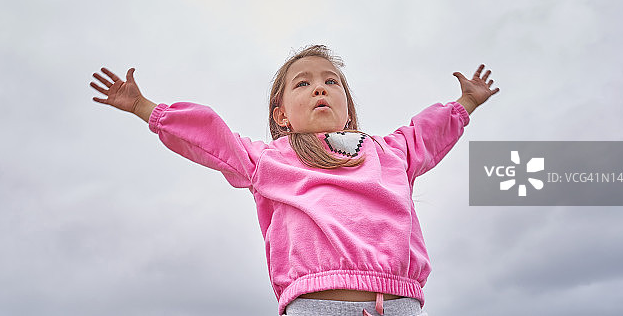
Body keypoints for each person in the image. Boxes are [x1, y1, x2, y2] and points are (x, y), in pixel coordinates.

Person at [90, 45, 499, 316]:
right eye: (303, 83)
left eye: (330, 81)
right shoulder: (269, 160)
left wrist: (467, 102)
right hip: (314, 304)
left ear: (347, 110)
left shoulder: (390, 152)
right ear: (282, 114)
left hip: (397, 303)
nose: (319, 87)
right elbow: (210, 136)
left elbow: (429, 131)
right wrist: (145, 107)